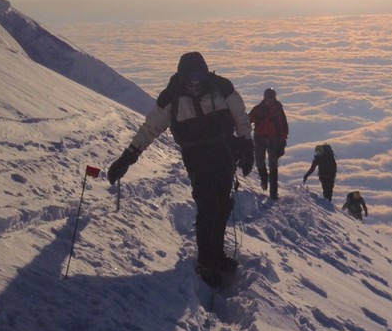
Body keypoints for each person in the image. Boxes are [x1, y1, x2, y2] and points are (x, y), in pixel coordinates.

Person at [106, 51, 254, 286]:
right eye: (191, 77)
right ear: (183, 76)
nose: (195, 82)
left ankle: (217, 256)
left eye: (199, 76)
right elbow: (150, 128)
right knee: (207, 208)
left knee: (222, 205)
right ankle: (207, 264)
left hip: (225, 155)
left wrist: (247, 145)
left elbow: (240, 116)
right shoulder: (172, 98)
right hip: (198, 159)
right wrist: (128, 157)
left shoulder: (221, 87)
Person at [249, 87, 289, 200]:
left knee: (273, 165)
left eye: (271, 98)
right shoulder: (258, 109)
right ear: (264, 97)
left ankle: (273, 193)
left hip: (274, 140)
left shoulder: (278, 111)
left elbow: (284, 127)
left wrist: (282, 141)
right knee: (259, 161)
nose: (269, 101)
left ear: (274, 98)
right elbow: (248, 119)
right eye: (267, 98)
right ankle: (264, 178)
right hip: (259, 138)